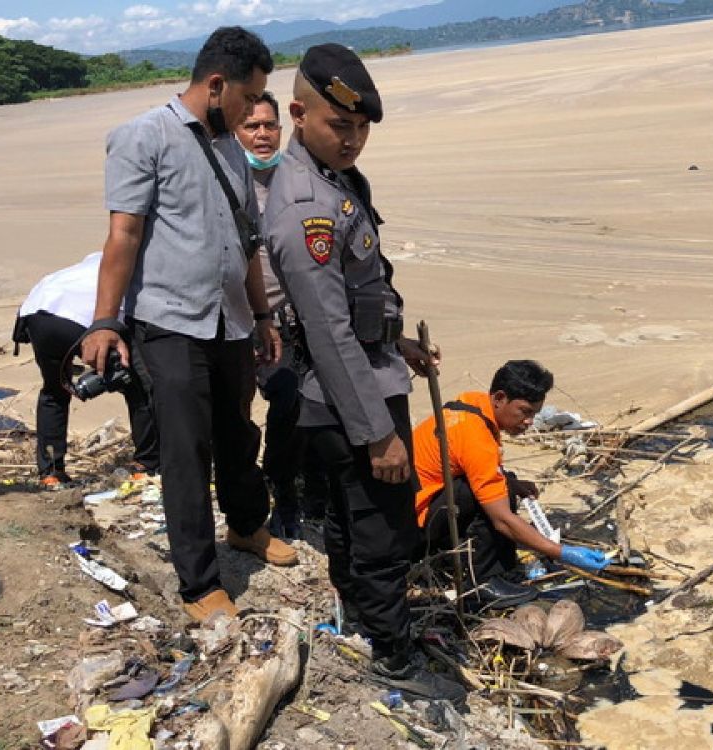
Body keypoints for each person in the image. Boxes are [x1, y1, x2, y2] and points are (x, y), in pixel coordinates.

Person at [263, 43, 464, 704]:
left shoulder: (337, 180)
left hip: (368, 373)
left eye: (361, 127)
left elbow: (355, 299)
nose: (352, 139)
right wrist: (378, 432)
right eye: (338, 124)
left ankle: (361, 619)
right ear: (298, 113)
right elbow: (325, 332)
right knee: (383, 528)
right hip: (353, 396)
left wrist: (396, 340)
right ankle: (394, 655)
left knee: (355, 522)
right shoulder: (306, 210)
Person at [80, 27, 298, 625]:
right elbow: (122, 234)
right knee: (185, 450)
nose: (255, 110)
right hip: (170, 322)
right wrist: (104, 321)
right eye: (249, 95)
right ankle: (199, 584)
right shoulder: (142, 136)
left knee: (237, 432)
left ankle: (247, 527)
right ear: (217, 84)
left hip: (230, 320)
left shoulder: (229, 145)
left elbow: (245, 241)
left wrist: (259, 315)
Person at [414, 360, 611, 607]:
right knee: (489, 498)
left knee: (505, 483)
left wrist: (510, 483)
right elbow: (502, 520)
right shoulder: (475, 436)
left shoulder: (475, 406)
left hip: (423, 506)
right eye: (525, 412)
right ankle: (484, 583)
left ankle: (495, 565)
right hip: (415, 527)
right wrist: (560, 552)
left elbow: (474, 465)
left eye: (534, 414)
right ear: (499, 398)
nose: (529, 422)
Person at [13, 252, 159, 488]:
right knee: (138, 387)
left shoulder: (100, 258)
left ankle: (51, 473)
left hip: (36, 309)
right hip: (77, 315)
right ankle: (147, 464)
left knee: (54, 391)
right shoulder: (139, 266)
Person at [233, 91, 305, 539]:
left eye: (269, 125)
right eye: (252, 126)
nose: (262, 134)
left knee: (293, 406)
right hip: (242, 324)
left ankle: (289, 492)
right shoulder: (228, 185)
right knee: (239, 419)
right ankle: (248, 505)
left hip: (294, 322)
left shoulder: (298, 179)